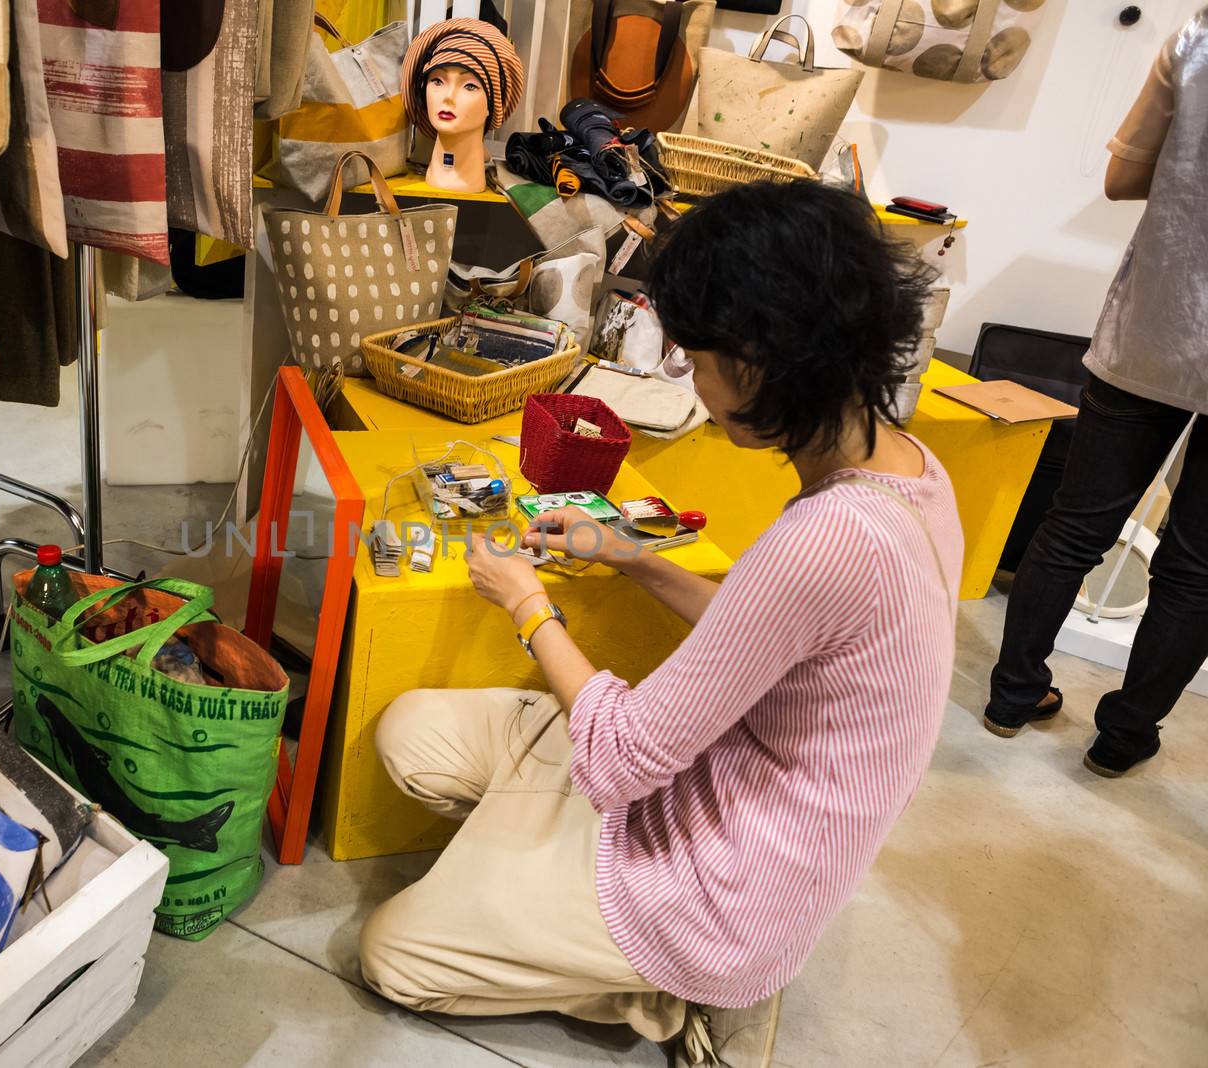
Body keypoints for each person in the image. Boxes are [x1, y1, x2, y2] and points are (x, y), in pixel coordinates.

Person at [357, 179, 963, 1056]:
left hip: (720, 880)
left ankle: (674, 994)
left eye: (695, 361)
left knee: (394, 957)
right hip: (696, 778)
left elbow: (619, 757)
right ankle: (533, 878)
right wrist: (631, 556)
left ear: (756, 360)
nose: (693, 383)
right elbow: (765, 633)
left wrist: (529, 607)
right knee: (413, 734)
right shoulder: (907, 464)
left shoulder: (832, 535)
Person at [982, 9, 1208, 777]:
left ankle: (1013, 696)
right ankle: (1124, 739)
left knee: (1075, 526)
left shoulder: (1194, 39)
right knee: (1198, 567)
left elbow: (1121, 179)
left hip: (1156, 326)